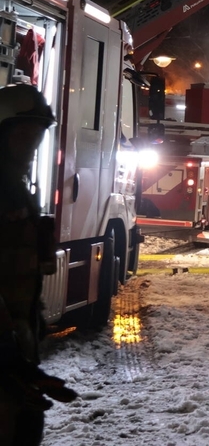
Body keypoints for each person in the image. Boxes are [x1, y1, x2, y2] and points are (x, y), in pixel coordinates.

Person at [0, 84, 78, 445]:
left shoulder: (16, 189)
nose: (32, 146)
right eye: (25, 135)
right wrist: (13, 368)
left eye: (37, 136)